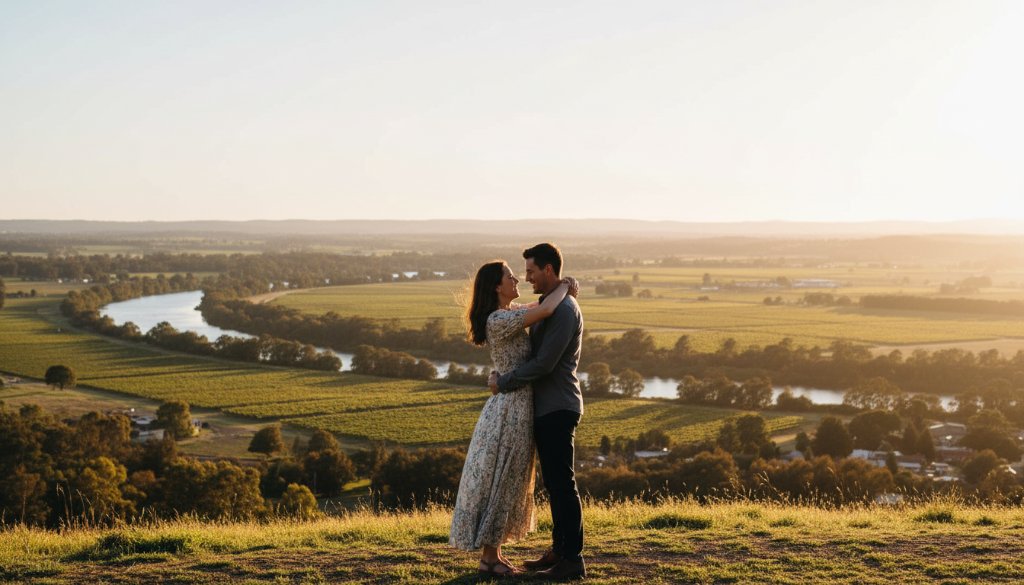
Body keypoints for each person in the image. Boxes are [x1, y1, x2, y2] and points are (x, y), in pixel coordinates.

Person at [449, 259, 577, 578]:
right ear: (497, 286)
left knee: (509, 479)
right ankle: (490, 558)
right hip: (510, 408)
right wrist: (563, 286)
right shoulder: (497, 320)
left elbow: (540, 304)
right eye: (509, 276)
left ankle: (494, 555)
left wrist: (565, 288)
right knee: (503, 478)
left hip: (518, 403)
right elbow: (545, 310)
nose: (516, 278)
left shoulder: (508, 313)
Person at [489, 242, 586, 581]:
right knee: (556, 483)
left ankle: (572, 560)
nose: (527, 277)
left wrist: (505, 381)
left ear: (548, 270)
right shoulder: (549, 302)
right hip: (546, 407)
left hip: (558, 406)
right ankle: (559, 551)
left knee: (562, 484)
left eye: (531, 271)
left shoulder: (563, 310)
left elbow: (544, 363)